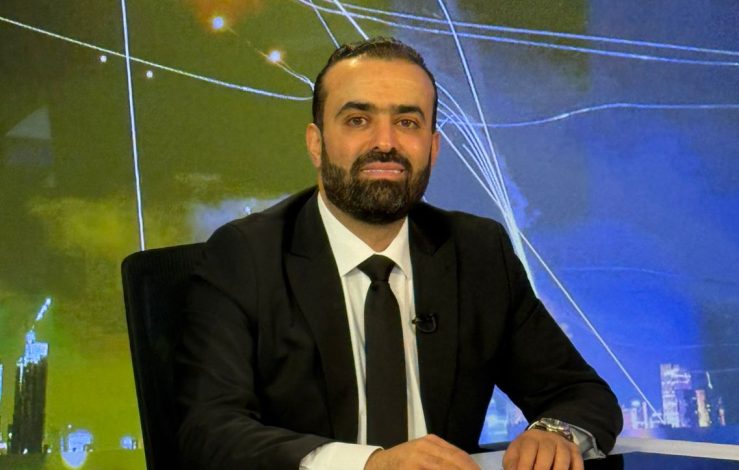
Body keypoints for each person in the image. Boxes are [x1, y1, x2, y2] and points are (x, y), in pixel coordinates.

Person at [176, 37, 622, 470]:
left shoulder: (477, 252)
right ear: (316, 143)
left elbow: (580, 394)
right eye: (358, 120)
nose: (385, 143)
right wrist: (370, 464)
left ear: (433, 147)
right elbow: (209, 429)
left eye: (407, 122)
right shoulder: (247, 256)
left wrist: (554, 433)